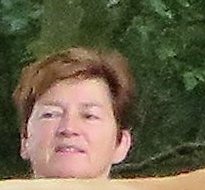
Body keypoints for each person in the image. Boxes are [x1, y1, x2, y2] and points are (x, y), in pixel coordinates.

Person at [16, 46, 140, 180]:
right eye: (51, 114)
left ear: (121, 143)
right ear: (25, 139)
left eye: (89, 116)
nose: (68, 128)